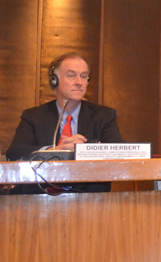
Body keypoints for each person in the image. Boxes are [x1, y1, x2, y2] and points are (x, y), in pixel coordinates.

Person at [6, 52, 124, 193]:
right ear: (54, 81)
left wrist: (85, 151)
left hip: (89, 197)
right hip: (40, 196)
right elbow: (14, 153)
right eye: (71, 75)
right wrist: (53, 150)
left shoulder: (103, 116)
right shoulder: (33, 116)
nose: (79, 82)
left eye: (84, 76)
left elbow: (119, 152)